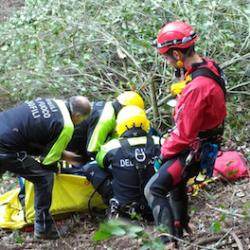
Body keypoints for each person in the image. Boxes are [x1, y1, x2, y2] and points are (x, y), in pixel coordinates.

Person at [144, 21, 227, 248]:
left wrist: (164, 152)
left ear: (177, 53)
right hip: (206, 141)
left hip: (196, 147)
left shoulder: (197, 88)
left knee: (153, 188)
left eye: (167, 57)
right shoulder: (209, 67)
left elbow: (183, 134)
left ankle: (168, 242)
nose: (167, 61)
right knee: (174, 179)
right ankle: (181, 224)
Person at [0, 96, 91, 239]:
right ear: (77, 115)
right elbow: (47, 162)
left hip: (4, 130)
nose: (79, 123)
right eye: (81, 120)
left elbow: (33, 134)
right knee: (44, 178)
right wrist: (58, 168)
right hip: (6, 147)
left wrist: (63, 154)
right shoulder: (66, 125)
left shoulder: (51, 101)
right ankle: (43, 229)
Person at [82, 105, 161, 219]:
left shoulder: (110, 147)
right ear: (145, 123)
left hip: (126, 210)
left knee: (90, 167)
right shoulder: (160, 142)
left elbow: (101, 163)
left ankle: (114, 202)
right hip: (155, 205)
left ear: (119, 125)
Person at [66, 91, 145, 163]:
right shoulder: (106, 118)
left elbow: (117, 140)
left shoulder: (111, 109)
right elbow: (92, 150)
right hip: (72, 149)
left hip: (80, 145)